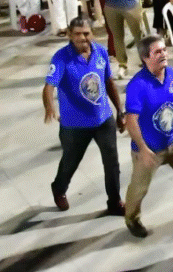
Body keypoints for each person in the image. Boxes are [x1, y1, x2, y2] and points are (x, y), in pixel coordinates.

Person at [43, 18, 126, 216]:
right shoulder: (61, 57)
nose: (83, 38)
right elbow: (48, 86)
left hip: (103, 118)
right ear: (70, 35)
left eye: (86, 33)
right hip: (75, 124)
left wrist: (120, 111)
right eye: (78, 34)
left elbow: (109, 83)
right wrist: (49, 107)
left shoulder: (101, 52)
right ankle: (59, 188)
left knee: (112, 162)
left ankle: (114, 201)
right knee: (71, 162)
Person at [123, 36, 173, 238]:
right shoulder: (138, 85)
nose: (164, 54)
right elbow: (131, 120)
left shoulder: (172, 75)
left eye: (164, 50)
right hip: (149, 147)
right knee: (139, 189)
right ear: (145, 58)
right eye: (158, 52)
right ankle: (132, 218)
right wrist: (143, 149)